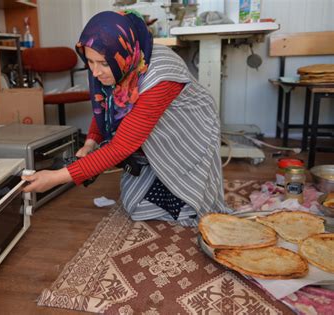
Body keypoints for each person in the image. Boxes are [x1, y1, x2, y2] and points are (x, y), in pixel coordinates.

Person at [23, 10, 227, 226]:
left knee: (190, 204)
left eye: (101, 63)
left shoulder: (160, 77)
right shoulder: (117, 63)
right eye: (89, 62)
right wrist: (91, 142)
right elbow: (105, 106)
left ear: (121, 53)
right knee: (134, 206)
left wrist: (54, 179)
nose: (95, 72)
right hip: (150, 124)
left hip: (186, 126)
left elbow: (121, 147)